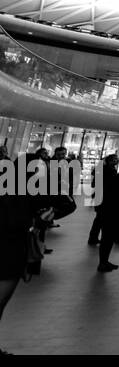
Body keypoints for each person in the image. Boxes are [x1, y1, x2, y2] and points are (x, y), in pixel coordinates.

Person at [0, 143, 55, 354]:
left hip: (11, 251)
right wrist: (36, 223)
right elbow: (14, 223)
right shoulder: (16, 194)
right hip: (7, 253)